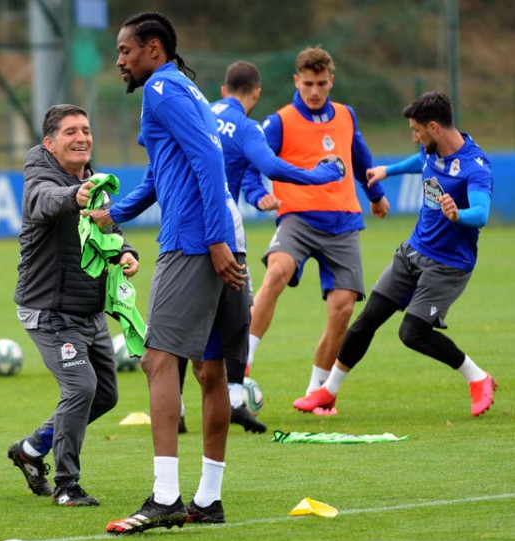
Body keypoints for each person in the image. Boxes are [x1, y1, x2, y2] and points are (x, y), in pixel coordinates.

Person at [86, 12, 247, 534]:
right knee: (211, 369)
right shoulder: (185, 88)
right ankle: (208, 499)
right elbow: (163, 171)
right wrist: (118, 214)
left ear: (152, 48)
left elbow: (207, 157)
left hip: (196, 240)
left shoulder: (161, 87)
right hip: (224, 235)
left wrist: (215, 240)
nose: (119, 61)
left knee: (157, 361)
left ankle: (165, 497)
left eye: (125, 51)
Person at [293, 91, 497, 417]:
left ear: (433, 127)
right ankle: (327, 393)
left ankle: (479, 379)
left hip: (448, 265)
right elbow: (422, 161)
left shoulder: (476, 167)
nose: (414, 137)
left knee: (412, 333)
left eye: (416, 131)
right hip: (413, 251)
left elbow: (482, 213)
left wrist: (458, 214)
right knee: (365, 321)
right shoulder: (431, 150)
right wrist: (388, 170)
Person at [191, 60, 345, 434]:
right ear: (256, 94)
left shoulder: (199, 111)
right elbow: (270, 166)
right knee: (238, 314)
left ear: (224, 90)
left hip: (181, 221)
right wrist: (319, 175)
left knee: (190, 316)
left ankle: (181, 408)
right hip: (218, 227)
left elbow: (147, 141)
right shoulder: (248, 127)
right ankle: (235, 398)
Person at [243, 46, 390, 413]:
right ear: (296, 81)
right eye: (307, 83)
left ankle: (318, 390)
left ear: (331, 82)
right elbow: (251, 164)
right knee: (277, 270)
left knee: (342, 309)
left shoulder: (346, 115)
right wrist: (258, 194)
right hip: (298, 218)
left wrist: (376, 194)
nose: (314, 91)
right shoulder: (279, 122)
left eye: (321, 84)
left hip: (343, 222)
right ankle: (242, 362)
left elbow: (360, 158)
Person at [6, 104, 139, 506]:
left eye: (85, 129)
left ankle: (30, 450)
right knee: (80, 387)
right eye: (70, 132)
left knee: (105, 395)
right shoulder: (40, 175)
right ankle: (66, 485)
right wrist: (73, 195)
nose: (81, 137)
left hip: (88, 309)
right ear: (50, 143)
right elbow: (41, 202)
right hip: (49, 310)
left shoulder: (94, 179)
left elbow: (108, 229)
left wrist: (125, 252)